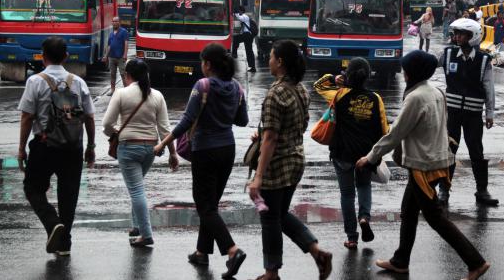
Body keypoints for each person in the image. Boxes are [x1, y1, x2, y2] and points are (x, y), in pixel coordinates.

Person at [355, 50, 490, 280]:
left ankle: (475, 262)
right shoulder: (435, 91)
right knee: (408, 211)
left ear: (413, 72)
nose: (403, 73)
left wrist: (371, 157)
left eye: (406, 69)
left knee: (436, 218)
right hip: (436, 160)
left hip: (423, 167)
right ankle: (400, 260)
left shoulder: (416, 97)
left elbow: (395, 133)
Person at [154, 43, 249, 279]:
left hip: (205, 150)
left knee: (205, 206)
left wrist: (163, 143)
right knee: (211, 204)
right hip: (228, 149)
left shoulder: (202, 85)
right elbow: (243, 121)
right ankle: (201, 252)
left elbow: (186, 121)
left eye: (202, 62)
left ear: (208, 64)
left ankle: (232, 250)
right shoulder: (237, 87)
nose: (201, 66)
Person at [248, 40, 332, 280]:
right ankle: (317, 252)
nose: (268, 60)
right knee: (280, 214)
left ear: (280, 62)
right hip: (295, 161)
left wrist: (258, 176)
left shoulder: (276, 93)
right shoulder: (300, 89)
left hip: (277, 164)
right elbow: (296, 126)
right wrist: (265, 133)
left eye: (272, 56)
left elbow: (271, 139)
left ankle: (271, 271)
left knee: (270, 218)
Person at [17, 36, 96, 256]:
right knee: (68, 195)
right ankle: (64, 244)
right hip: (73, 147)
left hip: (44, 146)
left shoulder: (35, 81)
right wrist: (90, 146)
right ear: (66, 56)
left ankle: (52, 224)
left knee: (33, 189)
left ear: (43, 58)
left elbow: (26, 117)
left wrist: (22, 148)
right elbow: (89, 117)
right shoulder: (78, 82)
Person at [313, 58, 388, 250]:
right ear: (368, 76)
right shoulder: (375, 98)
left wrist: (335, 78)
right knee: (364, 186)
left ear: (348, 75)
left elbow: (319, 86)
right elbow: (384, 130)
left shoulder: (338, 95)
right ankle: (364, 217)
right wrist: (376, 155)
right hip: (365, 155)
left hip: (342, 153)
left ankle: (352, 237)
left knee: (346, 195)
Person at [102, 58, 177, 247]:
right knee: (138, 187)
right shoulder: (157, 96)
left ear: (127, 75)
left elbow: (107, 124)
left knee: (136, 191)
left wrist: (117, 132)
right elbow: (165, 129)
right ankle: (136, 226)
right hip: (151, 149)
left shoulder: (121, 94)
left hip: (128, 148)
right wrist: (172, 153)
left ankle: (146, 233)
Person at [437, 18, 498, 206]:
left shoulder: (484, 61)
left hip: (473, 115)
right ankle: (444, 190)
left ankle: (482, 191)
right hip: (452, 114)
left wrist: (489, 113)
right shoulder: (447, 54)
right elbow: (428, 66)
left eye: (461, 34)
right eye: (455, 33)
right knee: (449, 151)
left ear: (472, 37)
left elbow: (489, 88)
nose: (456, 37)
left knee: (476, 152)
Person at [103, 17, 129, 96]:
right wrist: (106, 56)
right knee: (112, 74)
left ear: (119, 22)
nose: (114, 23)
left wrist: (125, 54)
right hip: (112, 57)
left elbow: (126, 43)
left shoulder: (124, 32)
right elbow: (109, 46)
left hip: (120, 57)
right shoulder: (111, 34)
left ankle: (126, 91)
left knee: (123, 74)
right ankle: (112, 90)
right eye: (113, 21)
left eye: (116, 21)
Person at [232, 5, 256, 72]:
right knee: (249, 51)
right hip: (248, 35)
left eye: (239, 11)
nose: (238, 12)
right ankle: (252, 67)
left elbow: (239, 18)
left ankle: (234, 54)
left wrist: (235, 13)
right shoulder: (244, 16)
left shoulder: (244, 16)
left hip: (247, 35)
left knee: (236, 39)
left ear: (241, 11)